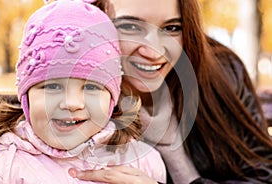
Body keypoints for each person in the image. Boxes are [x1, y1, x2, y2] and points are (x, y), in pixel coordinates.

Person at [70, 0, 272, 183]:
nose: (154, 51)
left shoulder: (222, 73)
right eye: (130, 27)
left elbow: (264, 174)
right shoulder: (72, 104)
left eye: (172, 28)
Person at [0, 0, 166, 183]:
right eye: (52, 86)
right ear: (26, 97)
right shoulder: (4, 173)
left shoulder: (143, 163)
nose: (72, 103)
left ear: (111, 99)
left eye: (91, 87)